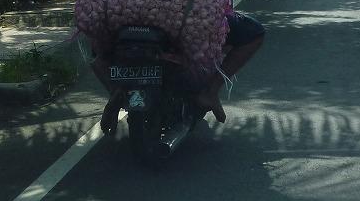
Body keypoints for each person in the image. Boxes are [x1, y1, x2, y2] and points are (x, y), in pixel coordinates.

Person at [93, 11, 265, 135]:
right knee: (254, 32)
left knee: (99, 38)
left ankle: (115, 90)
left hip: (127, 13)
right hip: (182, 13)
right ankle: (210, 92)